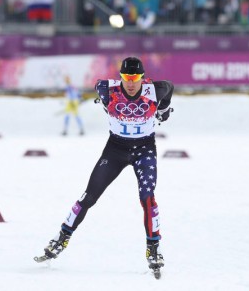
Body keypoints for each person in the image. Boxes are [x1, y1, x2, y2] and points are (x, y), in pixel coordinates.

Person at [36, 57, 174, 275]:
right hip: (116, 150)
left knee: (147, 198)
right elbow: (98, 87)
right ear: (120, 77)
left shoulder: (154, 90)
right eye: (126, 78)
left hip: (144, 150)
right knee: (89, 196)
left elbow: (169, 87)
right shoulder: (106, 89)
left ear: (142, 78)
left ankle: (153, 249)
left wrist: (163, 110)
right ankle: (60, 239)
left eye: (135, 78)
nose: (130, 83)